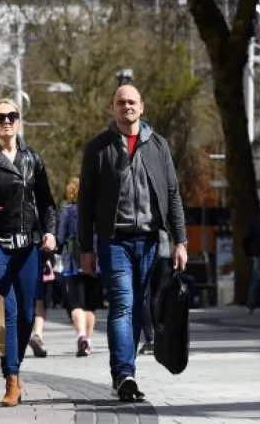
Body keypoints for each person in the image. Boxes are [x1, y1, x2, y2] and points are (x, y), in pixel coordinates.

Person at [78, 84, 187, 402]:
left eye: (132, 102)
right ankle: (124, 374)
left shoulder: (158, 145)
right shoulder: (98, 148)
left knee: (140, 307)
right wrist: (86, 247)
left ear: (142, 107)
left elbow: (172, 195)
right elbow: (86, 201)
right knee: (123, 304)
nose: (127, 106)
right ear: (113, 108)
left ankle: (126, 372)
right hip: (114, 241)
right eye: (121, 102)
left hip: (151, 240)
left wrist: (180, 241)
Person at [0, 98, 57, 407]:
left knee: (26, 318)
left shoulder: (33, 158)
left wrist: (50, 231)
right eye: (0, 117)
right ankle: (11, 379)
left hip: (30, 245)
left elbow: (47, 202)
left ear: (19, 121)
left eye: (12, 116)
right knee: (8, 312)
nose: (7, 121)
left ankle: (14, 369)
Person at [57, 178, 103, 357]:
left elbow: (60, 238)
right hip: (94, 262)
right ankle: (88, 341)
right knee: (90, 305)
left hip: (72, 263)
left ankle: (81, 335)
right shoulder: (96, 212)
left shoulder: (67, 212)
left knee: (76, 303)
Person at [138, 231, 172, 355]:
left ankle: (150, 339)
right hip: (163, 251)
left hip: (144, 249)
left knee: (143, 295)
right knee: (157, 295)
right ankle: (160, 338)